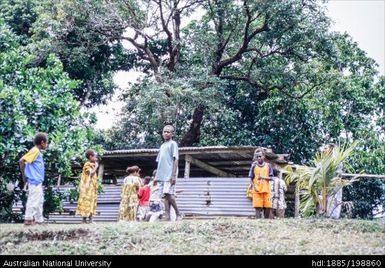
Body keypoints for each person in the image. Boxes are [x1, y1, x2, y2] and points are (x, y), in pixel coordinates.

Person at [19, 132, 49, 225]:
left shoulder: (37, 152)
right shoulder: (35, 151)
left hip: (37, 181)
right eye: (46, 143)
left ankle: (39, 220)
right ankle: (28, 219)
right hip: (34, 180)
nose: (47, 145)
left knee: (39, 201)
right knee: (34, 200)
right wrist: (24, 177)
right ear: (42, 142)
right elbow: (22, 161)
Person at [155, 125, 182, 221]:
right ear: (162, 133)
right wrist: (157, 176)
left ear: (172, 134)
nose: (166, 133)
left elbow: (176, 159)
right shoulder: (162, 146)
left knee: (169, 194)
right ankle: (167, 215)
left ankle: (178, 214)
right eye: (164, 131)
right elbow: (159, 162)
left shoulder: (173, 144)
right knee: (165, 195)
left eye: (168, 132)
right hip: (162, 174)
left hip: (170, 173)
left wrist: (173, 175)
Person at [248, 148, 274, 219]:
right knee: (257, 207)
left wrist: (262, 177)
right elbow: (250, 178)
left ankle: (266, 222)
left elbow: (271, 178)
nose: (258, 158)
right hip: (257, 190)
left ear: (264, 156)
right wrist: (254, 187)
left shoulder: (268, 166)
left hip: (266, 190)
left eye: (260, 156)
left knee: (267, 207)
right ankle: (258, 222)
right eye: (257, 157)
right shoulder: (253, 166)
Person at [76, 149, 99, 224]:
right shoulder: (87, 164)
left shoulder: (93, 164)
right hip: (87, 187)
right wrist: (96, 167)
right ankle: (84, 220)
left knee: (92, 202)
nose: (96, 158)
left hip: (92, 187)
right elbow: (91, 173)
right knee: (86, 202)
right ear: (90, 156)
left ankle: (90, 219)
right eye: (95, 156)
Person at [324, 143, 343, 219]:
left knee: (336, 198)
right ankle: (328, 215)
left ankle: (335, 216)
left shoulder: (336, 160)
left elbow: (338, 172)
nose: (324, 150)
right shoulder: (326, 159)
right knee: (329, 198)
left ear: (331, 149)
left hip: (335, 181)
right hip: (328, 182)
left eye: (326, 148)